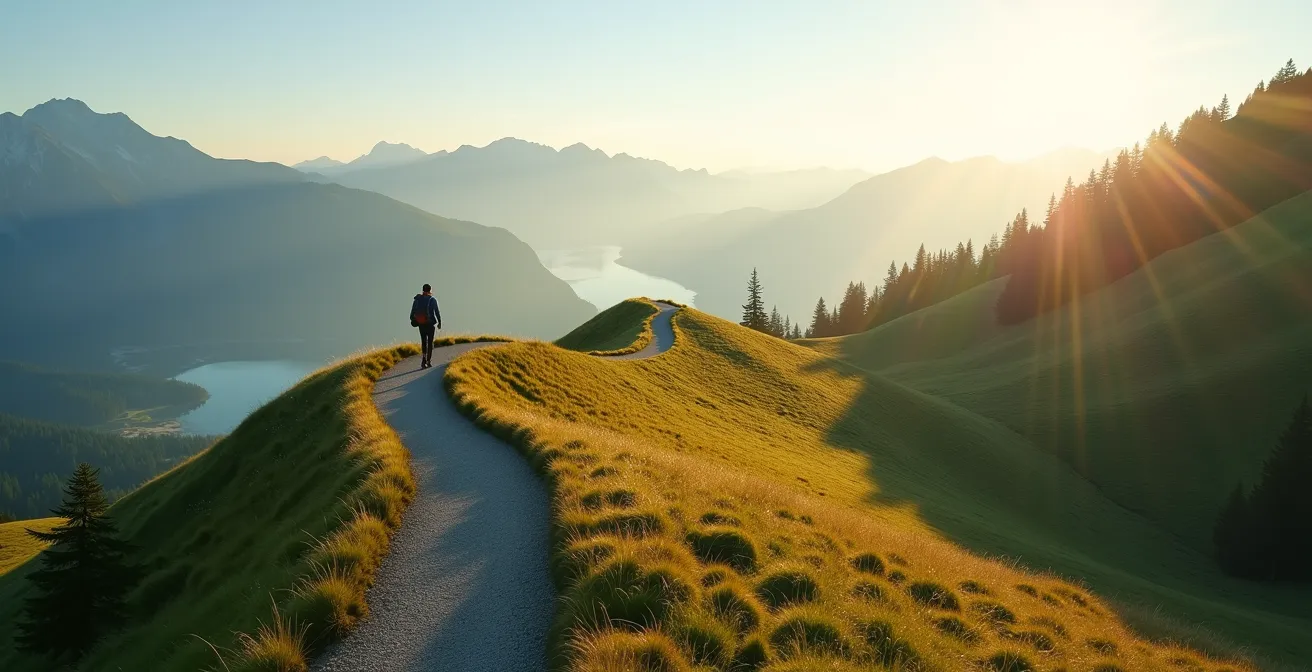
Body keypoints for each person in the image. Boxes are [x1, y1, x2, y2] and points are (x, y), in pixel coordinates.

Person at [409, 284, 443, 368]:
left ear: (423, 290)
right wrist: (439, 322)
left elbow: (412, 311)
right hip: (430, 323)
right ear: (430, 290)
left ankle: (423, 360)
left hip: (421, 323)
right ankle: (428, 361)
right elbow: (437, 312)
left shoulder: (417, 299)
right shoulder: (432, 299)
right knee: (430, 342)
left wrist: (414, 319)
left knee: (424, 342)